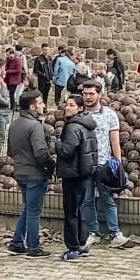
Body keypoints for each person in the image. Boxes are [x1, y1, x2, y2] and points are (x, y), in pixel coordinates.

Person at [80, 80, 129, 249]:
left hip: (103, 164)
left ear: (99, 94)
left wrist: (118, 162)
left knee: (107, 199)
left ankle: (115, 233)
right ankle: (93, 232)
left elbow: (114, 140)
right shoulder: (79, 115)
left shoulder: (109, 114)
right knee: (87, 200)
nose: (87, 97)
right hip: (84, 165)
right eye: (85, 94)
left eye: (91, 93)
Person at [6, 90, 54, 258]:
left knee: (27, 210)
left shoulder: (14, 124)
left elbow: (10, 150)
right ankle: (33, 247)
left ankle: (17, 243)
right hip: (35, 173)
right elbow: (41, 151)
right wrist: (50, 166)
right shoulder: (35, 126)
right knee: (34, 212)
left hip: (20, 172)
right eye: (40, 103)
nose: (43, 106)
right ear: (33, 106)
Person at [54, 94, 97, 261]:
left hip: (72, 173)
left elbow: (66, 151)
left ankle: (73, 247)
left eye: (71, 105)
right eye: (66, 104)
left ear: (80, 108)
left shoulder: (73, 127)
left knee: (71, 211)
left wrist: (56, 142)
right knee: (79, 210)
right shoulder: (88, 124)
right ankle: (82, 243)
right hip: (83, 172)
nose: (67, 107)